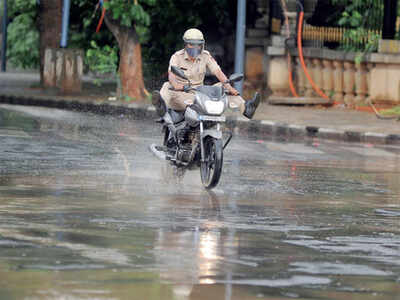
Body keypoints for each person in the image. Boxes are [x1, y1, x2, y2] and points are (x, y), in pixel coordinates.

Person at [152, 28, 260, 119]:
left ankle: (247, 109)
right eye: (191, 44)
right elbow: (171, 75)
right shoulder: (177, 56)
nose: (195, 47)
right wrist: (177, 86)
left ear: (202, 45)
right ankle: (161, 107)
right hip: (181, 93)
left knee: (222, 88)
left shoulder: (205, 55)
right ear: (185, 44)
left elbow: (218, 72)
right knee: (167, 86)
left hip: (199, 94)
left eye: (198, 45)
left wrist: (229, 87)